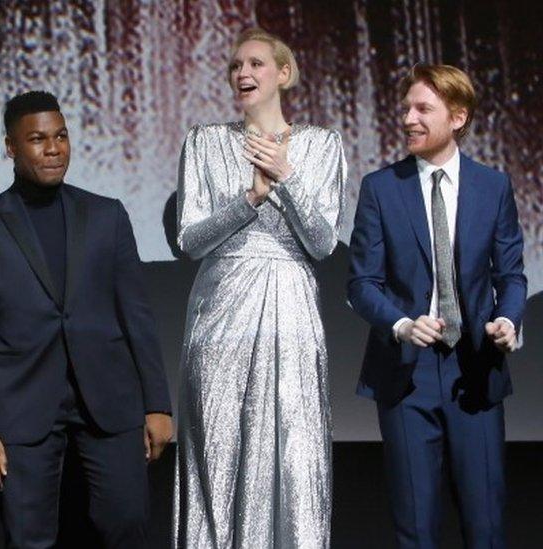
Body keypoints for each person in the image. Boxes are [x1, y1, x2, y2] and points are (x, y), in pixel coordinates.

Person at [0, 91, 172, 548]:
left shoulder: (107, 215)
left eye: (61, 136)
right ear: (11, 147)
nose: (53, 149)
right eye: (37, 139)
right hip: (22, 406)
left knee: (126, 524)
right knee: (29, 538)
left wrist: (158, 404)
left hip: (109, 400)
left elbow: (138, 317)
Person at [173, 28, 347, 548]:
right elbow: (189, 239)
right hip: (221, 310)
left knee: (294, 446)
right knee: (217, 448)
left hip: (291, 308)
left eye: (255, 64)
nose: (243, 74)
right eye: (234, 66)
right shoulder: (205, 141)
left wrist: (286, 179)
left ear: (284, 74)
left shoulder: (321, 145)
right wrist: (248, 198)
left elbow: (322, 243)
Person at [348, 64, 525, 548]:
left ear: (458, 117)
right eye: (405, 107)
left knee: (485, 523)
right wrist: (402, 323)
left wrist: (508, 320)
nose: (408, 118)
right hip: (407, 373)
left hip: (477, 366)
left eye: (422, 108)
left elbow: (510, 275)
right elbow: (362, 283)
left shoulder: (494, 187)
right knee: (415, 528)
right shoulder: (381, 188)